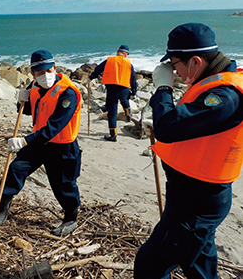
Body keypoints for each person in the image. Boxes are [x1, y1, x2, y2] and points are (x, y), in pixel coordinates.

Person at [134, 23, 243, 279]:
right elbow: (188, 125)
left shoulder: (225, 96)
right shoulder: (211, 81)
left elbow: (168, 128)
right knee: (200, 264)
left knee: (150, 264)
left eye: (175, 64)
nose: (175, 71)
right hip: (191, 194)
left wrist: (163, 89)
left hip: (198, 201)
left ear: (195, 61)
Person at [0, 50, 82, 236]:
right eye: (40, 72)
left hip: (62, 146)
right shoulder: (35, 86)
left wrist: (24, 141)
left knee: (64, 185)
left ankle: (70, 219)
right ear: (33, 73)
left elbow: (54, 127)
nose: (45, 75)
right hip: (39, 143)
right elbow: (31, 110)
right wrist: (21, 100)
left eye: (48, 70)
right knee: (14, 171)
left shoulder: (68, 93)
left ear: (55, 68)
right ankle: (1, 211)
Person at [88, 44, 138, 141]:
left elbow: (98, 69)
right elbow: (133, 79)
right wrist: (134, 92)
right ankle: (128, 114)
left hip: (112, 89)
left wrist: (90, 78)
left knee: (112, 112)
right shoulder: (129, 64)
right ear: (126, 54)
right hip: (124, 89)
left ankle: (113, 134)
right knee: (125, 99)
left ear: (117, 52)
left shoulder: (109, 60)